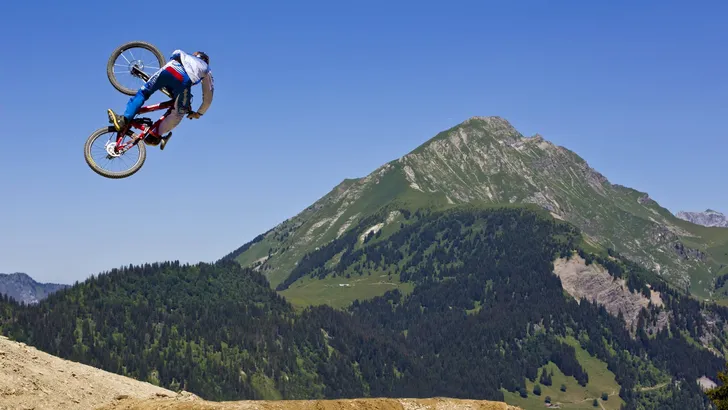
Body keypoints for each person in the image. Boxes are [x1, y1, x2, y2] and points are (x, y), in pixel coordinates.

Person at [107, 50, 214, 150]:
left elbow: (174, 54)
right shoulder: (206, 68)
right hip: (184, 82)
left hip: (169, 69)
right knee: (178, 114)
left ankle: (123, 119)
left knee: (143, 93)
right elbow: (208, 96)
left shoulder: (186, 55)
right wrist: (199, 113)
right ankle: (155, 134)